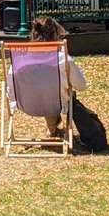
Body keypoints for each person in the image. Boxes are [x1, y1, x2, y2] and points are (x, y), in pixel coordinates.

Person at [27, 16, 88, 145]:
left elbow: (10, 88)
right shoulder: (63, 59)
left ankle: (51, 128)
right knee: (54, 92)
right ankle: (54, 127)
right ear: (56, 35)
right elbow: (81, 85)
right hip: (58, 103)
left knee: (44, 90)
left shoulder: (21, 60)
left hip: (26, 103)